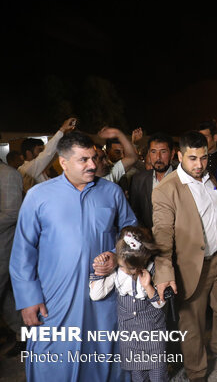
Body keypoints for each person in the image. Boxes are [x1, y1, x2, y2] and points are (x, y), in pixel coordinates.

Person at [10, 131, 137, 381]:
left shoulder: (110, 192)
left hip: (101, 296)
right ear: (63, 162)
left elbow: (131, 231)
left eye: (93, 157)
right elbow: (23, 250)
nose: (92, 164)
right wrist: (28, 299)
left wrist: (116, 255)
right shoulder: (39, 196)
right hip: (54, 298)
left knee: (104, 357)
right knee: (52, 360)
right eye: (83, 160)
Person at [152, 131, 217, 382]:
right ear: (179, 156)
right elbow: (162, 236)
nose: (199, 165)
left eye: (202, 158)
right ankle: (197, 371)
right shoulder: (166, 190)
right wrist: (165, 273)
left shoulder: (210, 177)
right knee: (193, 322)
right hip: (191, 265)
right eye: (192, 159)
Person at [90, 226, 168, 382]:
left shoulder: (153, 270)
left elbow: (160, 304)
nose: (124, 270)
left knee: (158, 376)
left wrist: (148, 286)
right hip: (130, 338)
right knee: (138, 377)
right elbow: (95, 295)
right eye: (122, 265)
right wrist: (100, 272)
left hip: (153, 335)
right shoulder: (119, 271)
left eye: (129, 268)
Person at [0, 160, 23, 355]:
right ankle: (21, 334)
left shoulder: (8, 174)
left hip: (3, 248)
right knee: (8, 298)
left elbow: (12, 213)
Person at [129, 133, 175, 229]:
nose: (158, 157)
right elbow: (134, 213)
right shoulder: (138, 180)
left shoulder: (183, 178)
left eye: (163, 152)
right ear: (149, 154)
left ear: (172, 154)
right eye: (153, 152)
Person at [18, 116, 76, 192]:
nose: (42, 152)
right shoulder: (26, 169)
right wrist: (62, 130)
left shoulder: (38, 168)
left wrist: (65, 134)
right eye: (39, 150)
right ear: (28, 153)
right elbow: (47, 154)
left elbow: (53, 154)